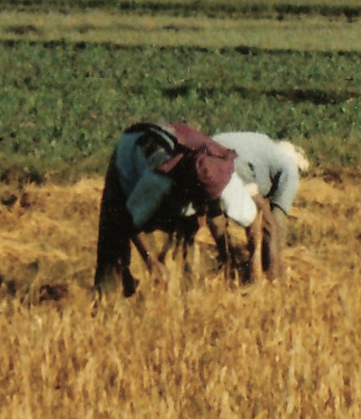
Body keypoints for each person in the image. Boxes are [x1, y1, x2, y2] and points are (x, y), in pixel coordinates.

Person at [93, 120, 258, 297]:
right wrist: (150, 260)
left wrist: (250, 264)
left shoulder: (223, 176)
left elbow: (252, 219)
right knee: (113, 236)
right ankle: (108, 295)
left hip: (174, 143)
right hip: (131, 151)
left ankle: (180, 286)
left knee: (188, 226)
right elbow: (129, 220)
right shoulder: (158, 180)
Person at [211, 132, 309, 284]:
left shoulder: (266, 147)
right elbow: (277, 222)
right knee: (262, 219)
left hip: (205, 152)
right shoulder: (289, 169)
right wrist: (276, 262)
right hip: (236, 161)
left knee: (213, 210)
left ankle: (228, 264)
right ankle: (267, 276)